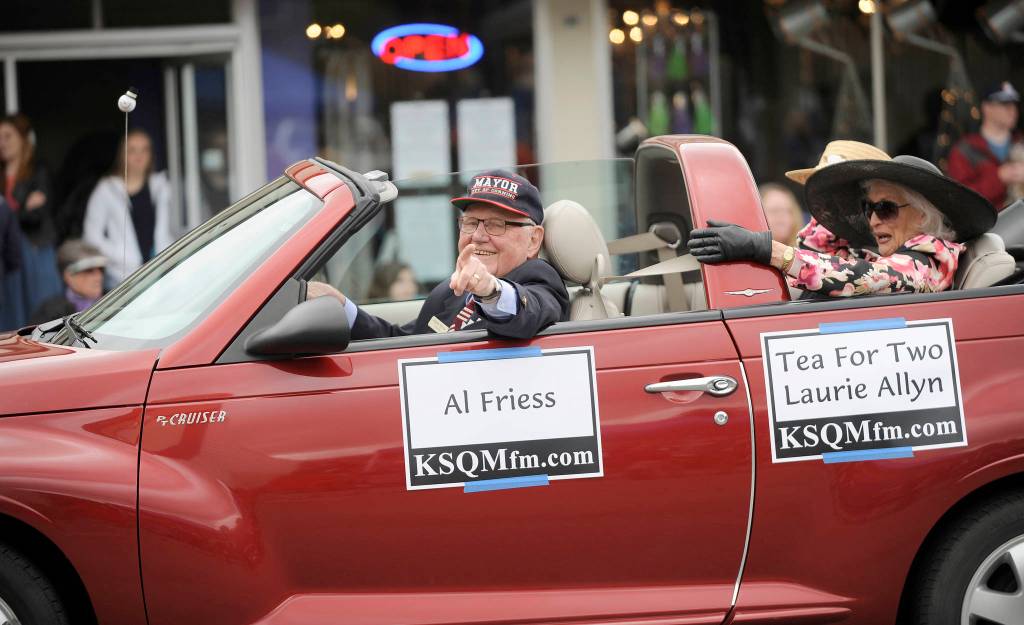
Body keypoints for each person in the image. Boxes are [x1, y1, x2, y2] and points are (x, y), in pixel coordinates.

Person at [307, 170, 569, 339]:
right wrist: (341, 307)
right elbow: (403, 342)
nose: (477, 235)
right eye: (470, 222)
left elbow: (528, 311)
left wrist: (490, 291)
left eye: (496, 224)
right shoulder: (450, 290)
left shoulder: (539, 280)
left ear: (533, 240)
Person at [688, 155, 997, 297]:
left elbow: (861, 277)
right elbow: (819, 253)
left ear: (921, 216)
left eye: (885, 208)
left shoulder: (925, 264)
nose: (873, 219)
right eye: (868, 208)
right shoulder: (888, 255)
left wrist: (764, 248)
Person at [83, 128, 174, 286]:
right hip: (122, 277)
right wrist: (122, 256)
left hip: (162, 272)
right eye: (132, 150)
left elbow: (172, 228)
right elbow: (91, 236)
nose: (139, 156)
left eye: (144, 150)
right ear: (122, 155)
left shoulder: (161, 186)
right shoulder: (106, 189)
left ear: (151, 155)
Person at [0, 113, 62, 328]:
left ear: (23, 138)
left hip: (36, 250)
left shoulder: (38, 170)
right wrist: (22, 209)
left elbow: (38, 215)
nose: (2, 143)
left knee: (42, 316)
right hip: (10, 254)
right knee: (13, 315)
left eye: (7, 136)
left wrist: (9, 214)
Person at [947, 81, 1024, 210]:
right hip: (988, 227)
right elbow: (960, 200)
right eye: (1005, 104)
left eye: (1014, 105)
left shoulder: (1020, 142)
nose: (1013, 111)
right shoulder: (964, 150)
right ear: (986, 108)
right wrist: (999, 178)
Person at [29, 240, 106, 324]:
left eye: (101, 269)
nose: (98, 276)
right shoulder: (50, 312)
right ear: (69, 275)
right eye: (89, 270)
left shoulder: (116, 302)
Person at [759, 183, 803, 247]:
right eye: (775, 210)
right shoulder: (745, 254)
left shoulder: (807, 254)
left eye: (788, 211)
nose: (781, 216)